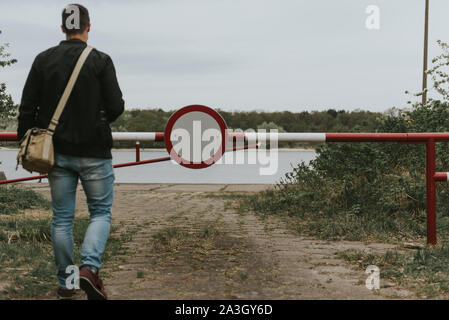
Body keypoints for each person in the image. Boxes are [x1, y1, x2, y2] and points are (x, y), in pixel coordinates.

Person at [17, 4, 124, 300]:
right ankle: (89, 269)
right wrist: (97, 121)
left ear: (62, 28)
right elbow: (116, 106)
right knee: (100, 212)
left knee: (62, 218)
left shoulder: (43, 60)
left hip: (56, 153)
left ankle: (67, 283)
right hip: (95, 152)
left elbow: (27, 108)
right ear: (88, 27)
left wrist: (25, 144)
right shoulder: (100, 60)